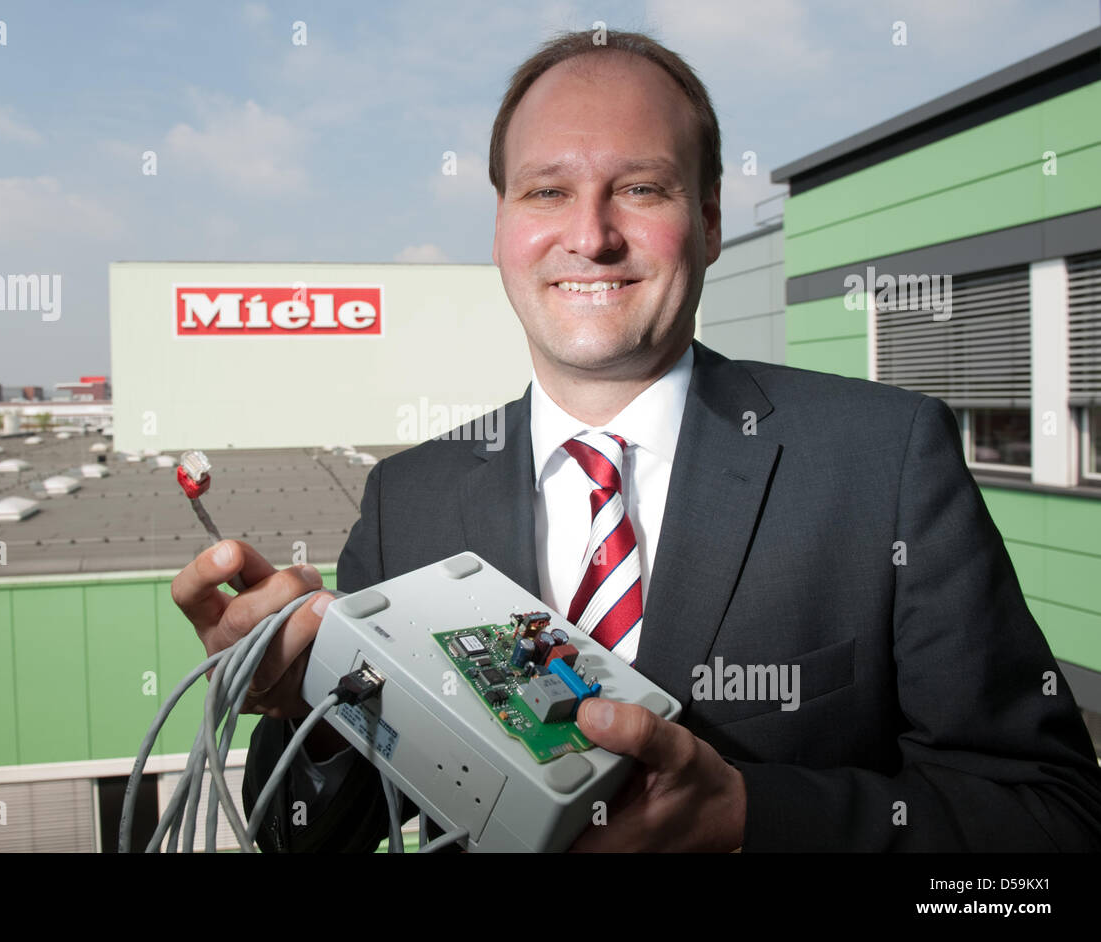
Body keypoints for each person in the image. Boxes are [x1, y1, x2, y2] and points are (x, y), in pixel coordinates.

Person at [170, 29, 1101, 852]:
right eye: (546, 190)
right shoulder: (407, 500)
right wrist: (321, 706)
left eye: (641, 187)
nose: (591, 235)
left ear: (707, 223)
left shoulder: (885, 460)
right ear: (500, 227)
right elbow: (300, 836)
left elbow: (1052, 826)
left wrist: (746, 816)